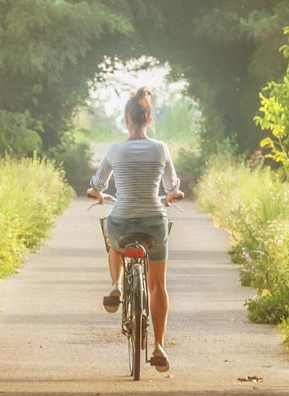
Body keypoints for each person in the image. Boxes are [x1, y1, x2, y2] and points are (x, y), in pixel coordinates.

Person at [87, 87, 183, 372]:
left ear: (127, 119)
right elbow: (173, 187)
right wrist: (171, 196)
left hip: (122, 222)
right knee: (158, 285)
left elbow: (97, 184)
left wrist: (97, 193)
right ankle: (159, 346)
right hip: (154, 221)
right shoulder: (160, 148)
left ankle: (116, 286)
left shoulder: (116, 149)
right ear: (149, 119)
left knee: (112, 238)